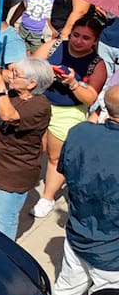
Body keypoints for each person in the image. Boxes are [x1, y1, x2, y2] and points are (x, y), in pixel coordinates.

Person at [48, 85, 119, 295]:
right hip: (112, 252)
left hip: (78, 235)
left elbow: (63, 169)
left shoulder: (79, 133)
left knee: (66, 290)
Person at [32, 18, 107, 219]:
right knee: (36, 147)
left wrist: (73, 83)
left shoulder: (97, 65)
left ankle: (47, 198)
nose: (79, 41)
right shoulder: (55, 45)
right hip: (40, 103)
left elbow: (91, 97)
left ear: (95, 41)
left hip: (69, 112)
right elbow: (31, 66)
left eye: (86, 38)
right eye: (76, 35)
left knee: (57, 157)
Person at [0, 59, 53, 239]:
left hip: (15, 171)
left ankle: (3, 257)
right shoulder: (14, 94)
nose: (9, 76)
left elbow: (9, 115)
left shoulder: (39, 106)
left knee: (6, 218)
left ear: (32, 83)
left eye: (16, 74)